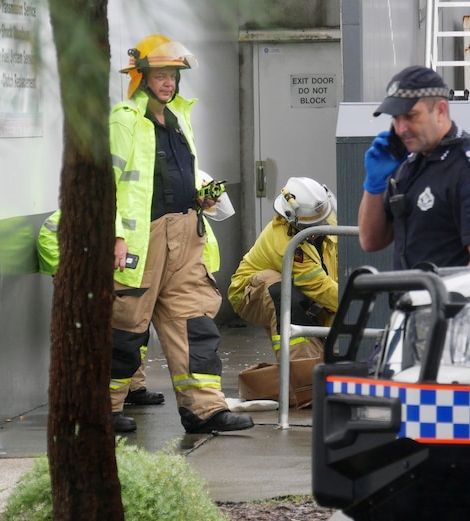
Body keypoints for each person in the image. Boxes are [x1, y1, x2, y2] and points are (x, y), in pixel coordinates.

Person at [327, 65, 470, 521]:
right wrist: (373, 182)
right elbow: (371, 240)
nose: (402, 127)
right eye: (395, 119)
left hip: (449, 334)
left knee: (453, 461)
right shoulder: (408, 165)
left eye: (410, 116)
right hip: (405, 331)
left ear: (441, 110)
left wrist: (441, 334)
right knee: (369, 440)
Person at [108, 34, 253, 435]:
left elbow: (175, 173)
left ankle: (205, 411)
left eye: (173, 75)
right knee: (125, 325)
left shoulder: (179, 118)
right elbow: (106, 182)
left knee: (195, 324)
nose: (168, 82)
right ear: (141, 77)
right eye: (160, 75)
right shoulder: (123, 119)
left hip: (187, 233)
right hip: (142, 239)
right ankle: (102, 409)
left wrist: (200, 197)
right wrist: (116, 236)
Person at [228, 176, 338, 367]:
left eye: (320, 223)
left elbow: (330, 277)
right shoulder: (285, 244)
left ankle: (317, 358)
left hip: (301, 291)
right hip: (248, 294)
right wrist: (356, 302)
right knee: (281, 293)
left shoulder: (323, 218)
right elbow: (319, 287)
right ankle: (298, 368)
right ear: (291, 218)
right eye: (306, 227)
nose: (314, 232)